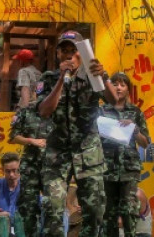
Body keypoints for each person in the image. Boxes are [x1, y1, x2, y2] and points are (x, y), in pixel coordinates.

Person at [36, 30, 112, 237]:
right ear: (58, 54)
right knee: (52, 209)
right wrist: (62, 78)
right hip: (57, 155)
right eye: (64, 50)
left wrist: (103, 76)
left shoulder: (93, 76)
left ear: (83, 53)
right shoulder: (49, 78)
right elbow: (44, 111)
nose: (69, 55)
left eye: (74, 50)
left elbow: (115, 100)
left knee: (95, 211)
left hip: (88, 154)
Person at [99, 72, 150, 237]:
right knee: (108, 213)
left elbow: (145, 143)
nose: (118, 88)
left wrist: (135, 130)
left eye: (122, 84)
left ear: (128, 89)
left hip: (129, 169)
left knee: (129, 210)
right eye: (115, 84)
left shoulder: (135, 112)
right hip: (106, 168)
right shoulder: (101, 111)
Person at [9, 85, 54, 237]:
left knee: (53, 207)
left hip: (51, 166)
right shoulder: (25, 112)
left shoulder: (57, 113)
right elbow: (13, 136)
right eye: (39, 95)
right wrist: (30, 141)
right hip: (31, 165)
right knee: (28, 207)